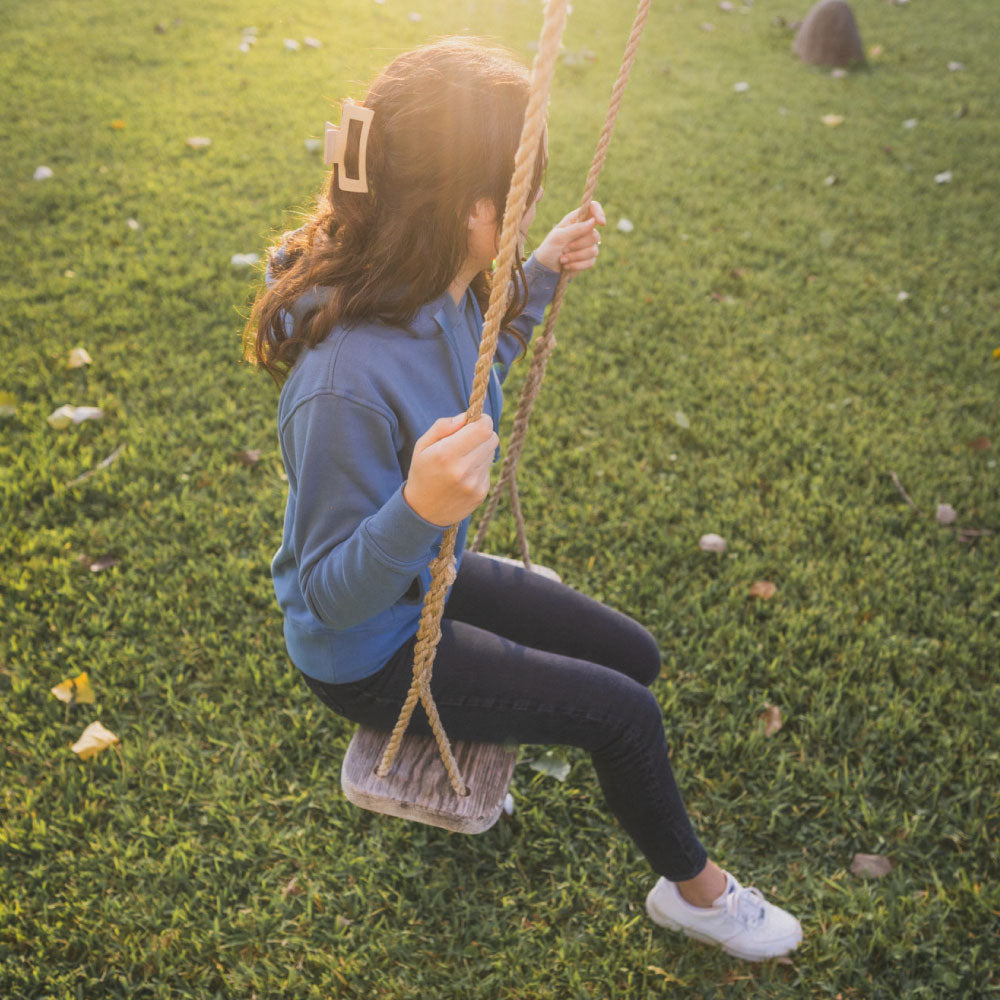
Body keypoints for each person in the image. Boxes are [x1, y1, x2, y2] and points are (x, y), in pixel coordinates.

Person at [244, 37, 802, 963]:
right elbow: (330, 590)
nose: (530, 209)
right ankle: (696, 895)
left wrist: (534, 274)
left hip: (426, 570)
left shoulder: (443, 281)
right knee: (627, 715)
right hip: (368, 650)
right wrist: (419, 509)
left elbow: (470, 375)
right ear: (471, 212)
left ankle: (497, 713)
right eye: (523, 197)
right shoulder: (340, 383)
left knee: (636, 657)